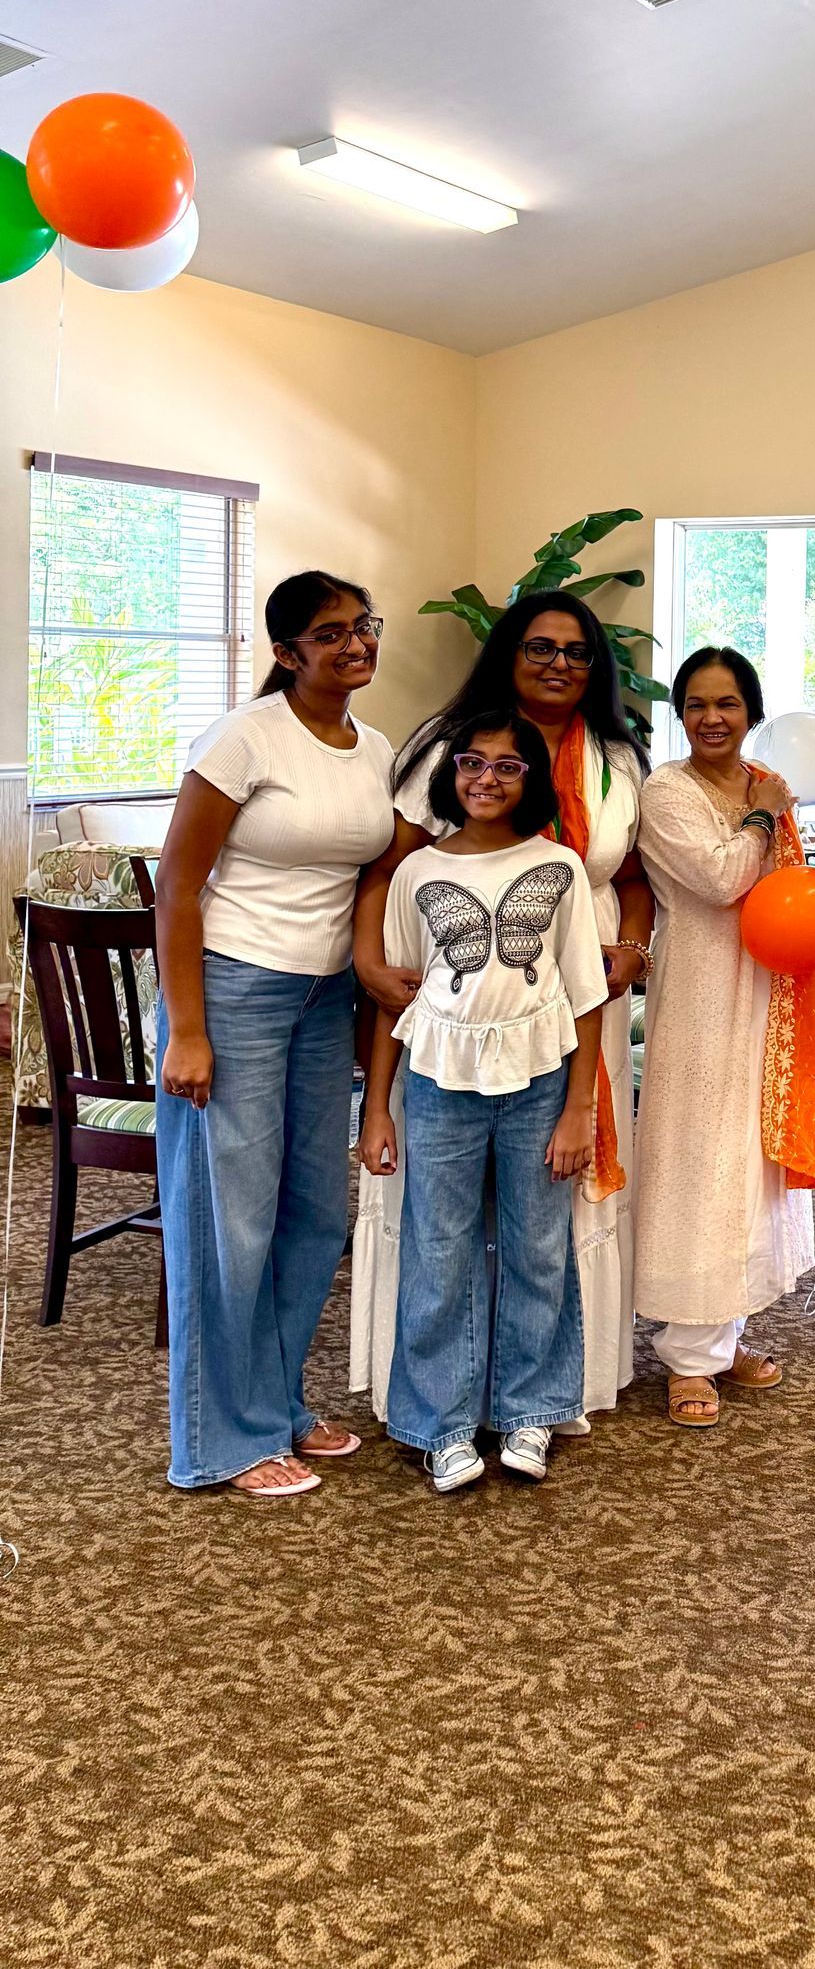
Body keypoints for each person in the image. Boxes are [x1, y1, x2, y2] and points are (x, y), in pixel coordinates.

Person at [350, 590, 651, 1426]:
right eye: (539, 647)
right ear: (508, 654)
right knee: (443, 1226)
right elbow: (391, 870)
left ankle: (551, 1394)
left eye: (578, 651)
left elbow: (632, 876)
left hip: (575, 1003)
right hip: (451, 1006)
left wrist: (633, 947)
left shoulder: (617, 756)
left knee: (547, 1217)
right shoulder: (448, 746)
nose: (560, 664)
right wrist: (370, 964)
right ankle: (442, 1404)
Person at [152, 572, 399, 1498]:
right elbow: (178, 887)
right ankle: (220, 1441)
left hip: (324, 1000)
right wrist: (187, 1030)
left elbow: (375, 876)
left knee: (313, 1215)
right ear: (288, 652)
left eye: (363, 626)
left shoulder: (375, 748)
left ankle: (278, 1403)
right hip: (234, 992)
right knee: (230, 1222)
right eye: (330, 633)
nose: (355, 644)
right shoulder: (244, 738)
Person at [357, 714, 605, 1493]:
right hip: (439, 1083)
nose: (486, 779)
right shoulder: (417, 873)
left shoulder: (557, 868)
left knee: (538, 1247)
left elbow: (587, 996)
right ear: (451, 773)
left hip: (539, 1082)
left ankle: (531, 1409)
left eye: (507, 766)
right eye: (472, 762)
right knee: (439, 1252)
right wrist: (376, 1107)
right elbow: (395, 997)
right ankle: (442, 1423)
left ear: (531, 779)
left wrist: (579, 1110)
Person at [631, 647, 815, 1427]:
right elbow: (718, 880)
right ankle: (687, 1354)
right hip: (703, 997)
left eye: (728, 704)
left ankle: (726, 1332)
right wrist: (764, 815)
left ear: (751, 711)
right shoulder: (666, 790)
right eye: (698, 704)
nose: (712, 718)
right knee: (699, 1163)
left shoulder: (760, 782)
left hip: (767, 991)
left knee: (749, 1162)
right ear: (681, 713)